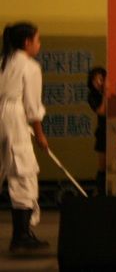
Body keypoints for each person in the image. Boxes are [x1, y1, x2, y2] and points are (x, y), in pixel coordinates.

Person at [0, 22, 49, 252]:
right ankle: (21, 236)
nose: (39, 44)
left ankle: (21, 235)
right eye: (38, 40)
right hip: (14, 121)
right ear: (27, 42)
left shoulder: (3, 61)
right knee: (23, 173)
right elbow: (32, 107)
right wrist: (40, 135)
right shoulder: (30, 67)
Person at [86, 66, 107, 196]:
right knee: (102, 167)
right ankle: (101, 192)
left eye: (101, 79)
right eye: (96, 80)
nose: (99, 82)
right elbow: (101, 111)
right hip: (102, 133)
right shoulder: (92, 96)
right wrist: (105, 94)